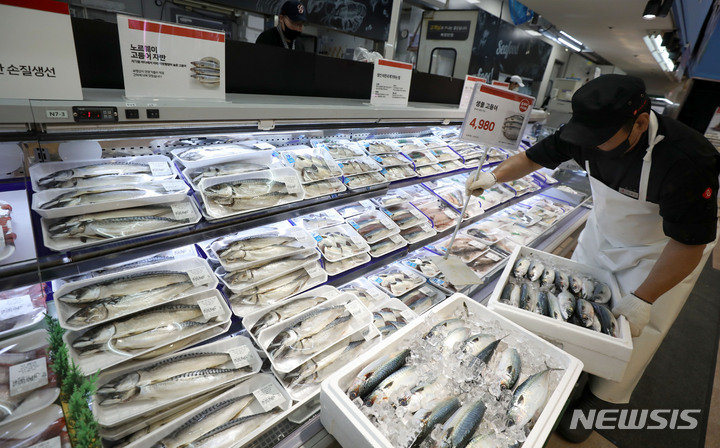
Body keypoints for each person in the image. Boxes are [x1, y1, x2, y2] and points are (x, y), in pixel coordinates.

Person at [466, 74, 720, 441]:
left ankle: (596, 400)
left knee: (630, 336)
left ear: (639, 123)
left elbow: (689, 245)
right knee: (573, 315)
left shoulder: (689, 160)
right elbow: (533, 158)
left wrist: (643, 299)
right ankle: (566, 376)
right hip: (601, 237)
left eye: (601, 139)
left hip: (658, 255)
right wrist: (493, 178)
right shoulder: (584, 133)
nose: (590, 146)